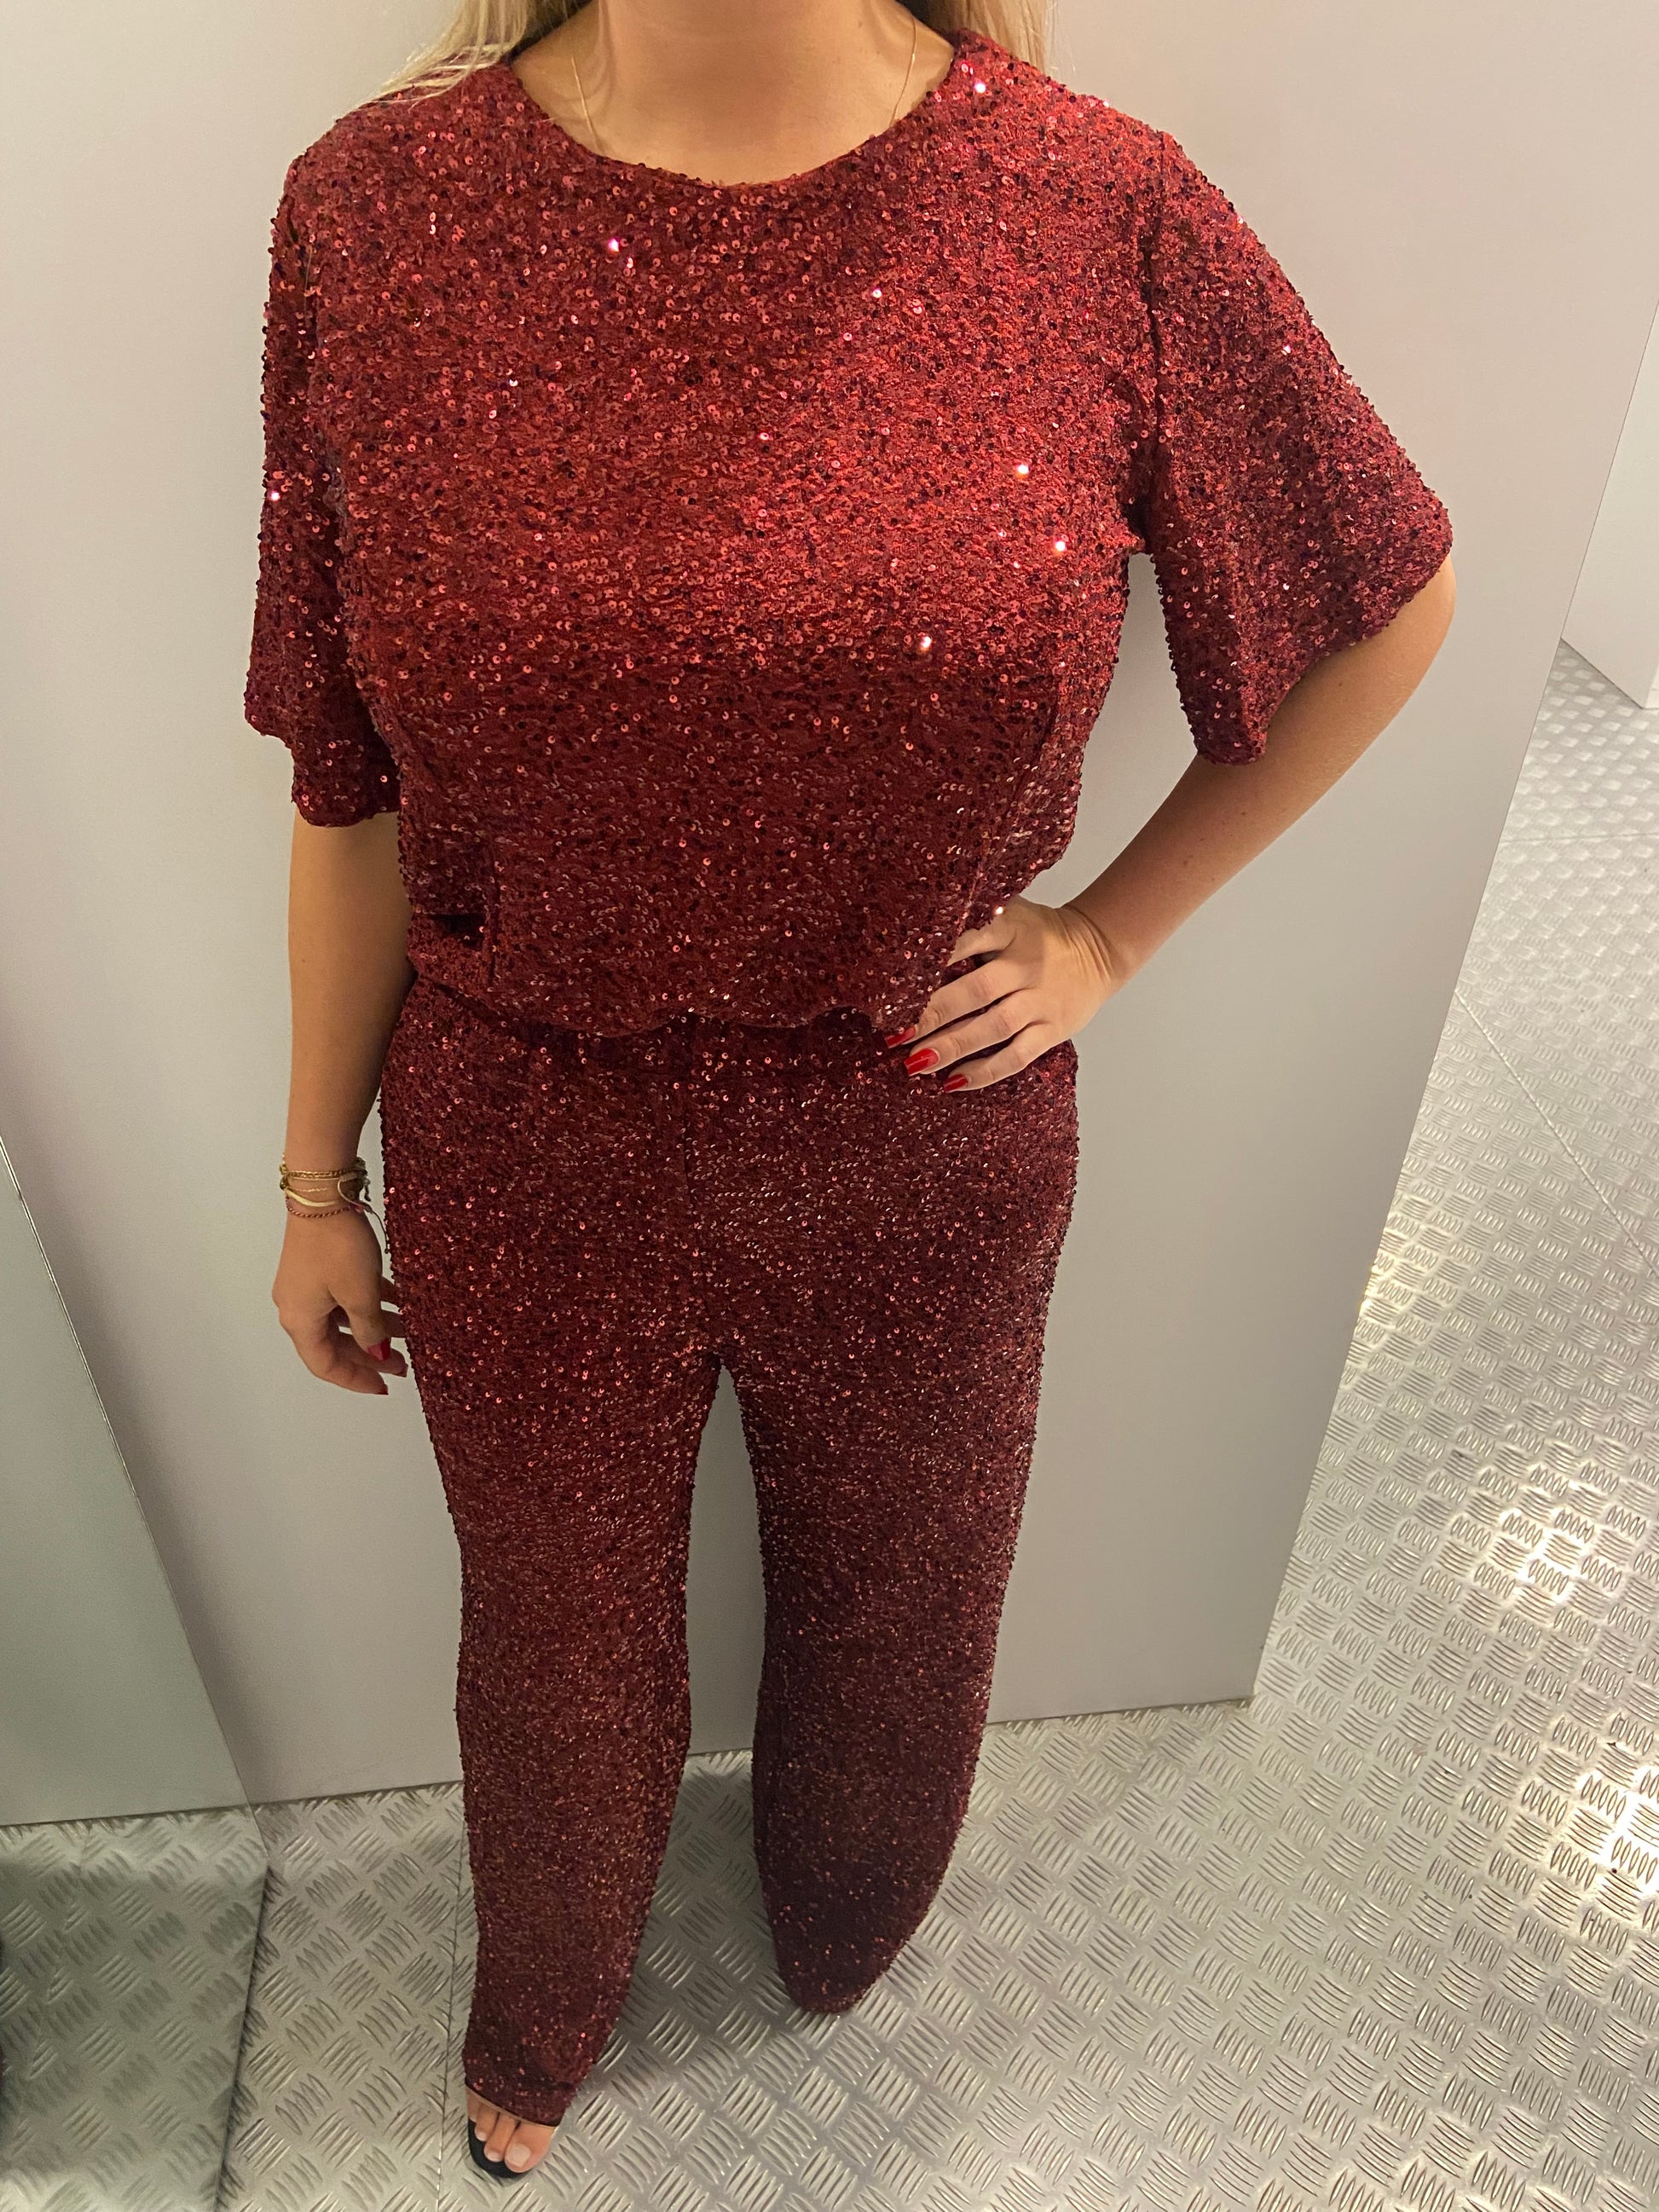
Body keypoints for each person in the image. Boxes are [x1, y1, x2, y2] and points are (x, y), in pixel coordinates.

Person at [245, 0, 1454, 2178]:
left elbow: (1386, 592)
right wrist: (312, 1173)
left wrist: (1108, 935)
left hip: (923, 1128)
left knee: (906, 1627)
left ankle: (845, 1933)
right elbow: (346, 781)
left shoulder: (1090, 208)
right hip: (527, 1138)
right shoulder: (374, 217)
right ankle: (545, 1992)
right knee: (551, 1647)